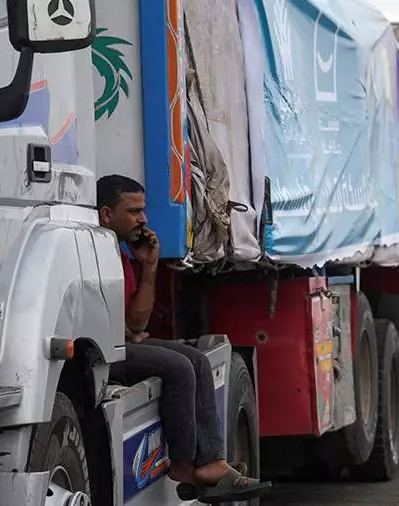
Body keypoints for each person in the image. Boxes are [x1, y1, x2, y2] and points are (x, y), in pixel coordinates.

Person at [97, 174, 270, 501]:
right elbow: (132, 329)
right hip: (103, 354)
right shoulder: (95, 250)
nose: (143, 219)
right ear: (107, 215)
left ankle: (210, 462)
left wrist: (148, 267)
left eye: (143, 210)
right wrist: (130, 331)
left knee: (198, 361)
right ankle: (182, 464)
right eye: (133, 211)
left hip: (122, 343)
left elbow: (137, 321)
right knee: (178, 369)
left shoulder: (120, 254)